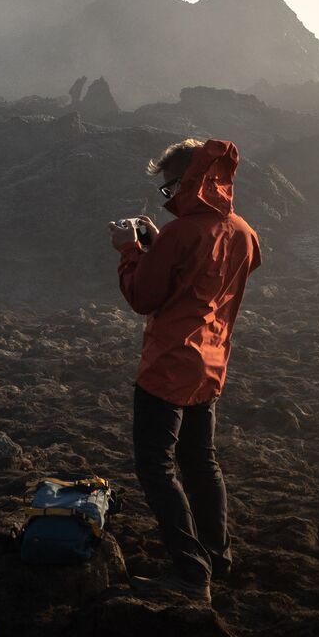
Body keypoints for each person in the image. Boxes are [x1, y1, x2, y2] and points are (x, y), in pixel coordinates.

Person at [111, 138, 261, 600]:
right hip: (211, 364)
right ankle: (217, 557)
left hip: (168, 365)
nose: (167, 198)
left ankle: (190, 573)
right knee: (201, 462)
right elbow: (204, 274)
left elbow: (143, 297)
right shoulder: (244, 232)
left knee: (155, 466)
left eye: (167, 189)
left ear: (186, 182)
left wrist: (130, 251)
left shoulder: (181, 234)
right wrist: (159, 245)